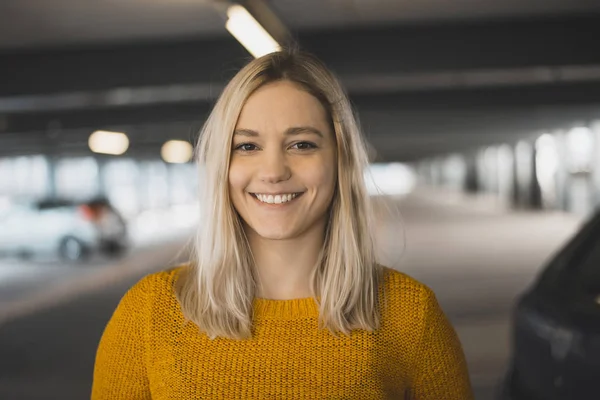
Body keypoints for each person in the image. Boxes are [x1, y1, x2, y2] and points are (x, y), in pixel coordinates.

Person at [91, 49, 474, 399]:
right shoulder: (149, 312)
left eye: (302, 144)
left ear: (339, 160)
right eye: (247, 146)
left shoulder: (410, 313)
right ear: (222, 165)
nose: (273, 171)